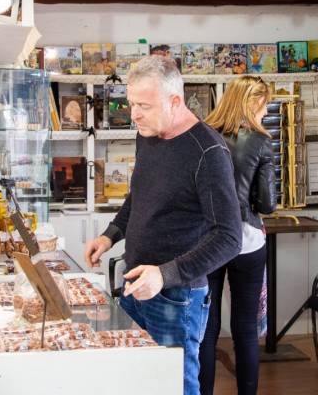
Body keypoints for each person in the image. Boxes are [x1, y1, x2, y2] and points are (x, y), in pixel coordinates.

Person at [84, 55, 243, 395]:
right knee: (138, 383)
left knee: (175, 387)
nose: (134, 114)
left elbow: (229, 237)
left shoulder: (208, 152)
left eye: (143, 105)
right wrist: (110, 235)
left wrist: (164, 274)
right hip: (134, 282)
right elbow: (139, 196)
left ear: (175, 102)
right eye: (131, 104)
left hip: (177, 298)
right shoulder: (148, 133)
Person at [198, 76, 276, 395]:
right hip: (246, 240)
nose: (266, 110)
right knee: (244, 330)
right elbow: (268, 204)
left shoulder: (203, 133)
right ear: (254, 102)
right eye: (265, 103)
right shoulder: (259, 141)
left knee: (207, 328)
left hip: (206, 240)